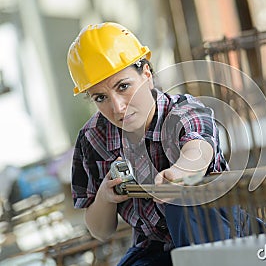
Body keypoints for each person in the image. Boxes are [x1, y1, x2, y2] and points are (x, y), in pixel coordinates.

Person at [67, 22, 240, 266]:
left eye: (123, 87)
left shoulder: (183, 111)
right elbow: (100, 231)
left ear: (146, 74)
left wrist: (179, 173)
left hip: (220, 235)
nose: (117, 107)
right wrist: (105, 197)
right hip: (155, 247)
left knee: (180, 201)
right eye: (101, 98)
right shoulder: (92, 138)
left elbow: (199, 148)